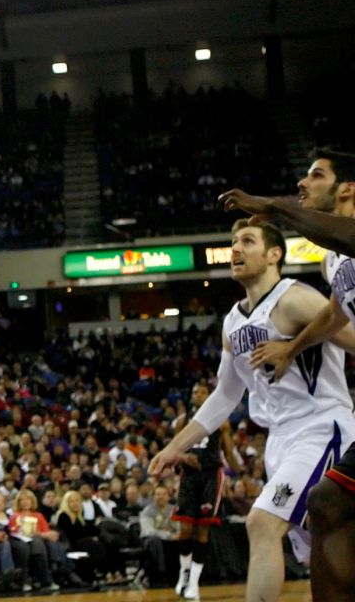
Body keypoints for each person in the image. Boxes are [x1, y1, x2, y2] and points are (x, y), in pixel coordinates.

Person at [150, 219, 355, 602]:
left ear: (275, 254)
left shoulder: (296, 298)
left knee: (261, 524)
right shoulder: (233, 321)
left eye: (247, 241)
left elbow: (352, 337)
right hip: (278, 440)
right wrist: (175, 446)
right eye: (233, 242)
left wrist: (291, 347)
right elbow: (225, 396)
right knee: (321, 552)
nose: (236, 249)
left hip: (322, 426)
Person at [223, 148, 355, 602]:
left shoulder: (346, 238)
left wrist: (270, 205)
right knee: (327, 504)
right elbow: (336, 317)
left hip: (323, 421)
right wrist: (290, 347)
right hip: (291, 429)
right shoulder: (332, 263)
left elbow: (325, 229)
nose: (303, 183)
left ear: (347, 188)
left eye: (316, 175)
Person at [170, 382, 238, 598]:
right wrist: (183, 457)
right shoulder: (182, 422)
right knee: (185, 530)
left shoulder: (221, 420)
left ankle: (194, 584)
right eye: (194, 392)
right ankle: (184, 571)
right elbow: (172, 451)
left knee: (203, 530)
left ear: (210, 395)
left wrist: (240, 470)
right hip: (189, 477)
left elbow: (228, 453)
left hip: (211, 476)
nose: (197, 395)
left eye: (201, 392)